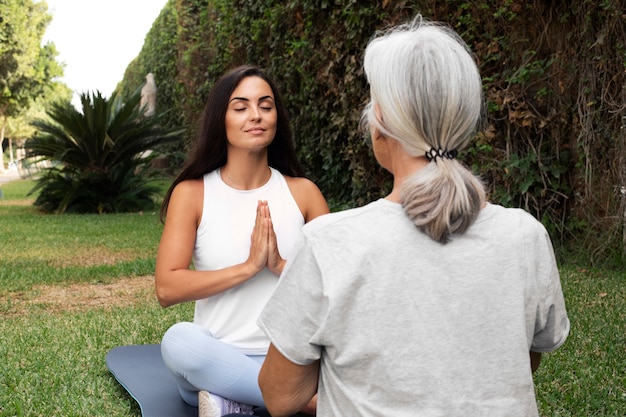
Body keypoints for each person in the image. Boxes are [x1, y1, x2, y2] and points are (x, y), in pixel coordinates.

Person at [257, 16, 570, 417]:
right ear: (465, 120)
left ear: (380, 122)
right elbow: (524, 360)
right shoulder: (526, 236)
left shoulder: (329, 242)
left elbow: (280, 397)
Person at [155, 65, 329, 416]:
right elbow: (167, 287)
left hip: (291, 358)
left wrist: (280, 266)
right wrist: (248, 267)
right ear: (221, 118)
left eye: (266, 106)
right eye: (241, 106)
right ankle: (311, 405)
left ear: (277, 117)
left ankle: (234, 399)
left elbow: (338, 286)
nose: (256, 115)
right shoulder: (193, 194)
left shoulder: (304, 193)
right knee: (179, 342)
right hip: (215, 355)